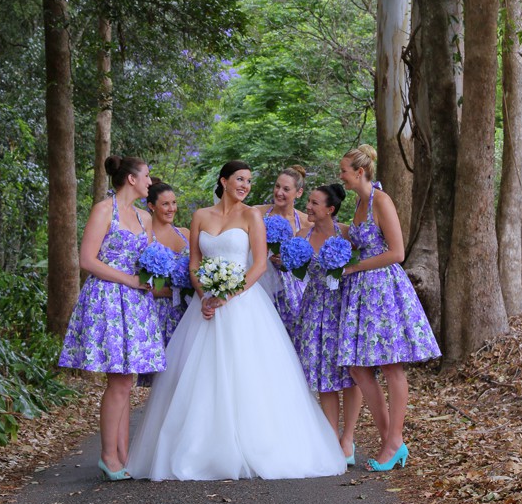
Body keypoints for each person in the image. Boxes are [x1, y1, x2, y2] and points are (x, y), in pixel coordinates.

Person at [125, 160, 347, 481]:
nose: (245, 185)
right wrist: (204, 295)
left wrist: (227, 295)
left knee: (247, 372)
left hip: (243, 303)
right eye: (240, 179)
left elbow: (258, 265)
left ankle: (254, 442)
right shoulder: (201, 216)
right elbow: (193, 264)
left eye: (249, 181)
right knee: (199, 375)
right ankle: (201, 446)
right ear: (224, 181)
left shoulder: (251, 216)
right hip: (205, 307)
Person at [59, 156, 166, 481]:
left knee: (126, 380)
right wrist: (129, 279)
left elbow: (147, 259)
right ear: (131, 179)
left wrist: (156, 276)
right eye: (146, 175)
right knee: (118, 381)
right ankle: (108, 456)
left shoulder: (145, 217)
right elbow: (87, 260)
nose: (150, 181)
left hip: (136, 304)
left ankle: (122, 454)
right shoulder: (104, 210)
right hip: (107, 298)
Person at [337, 144, 441, 471]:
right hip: (360, 294)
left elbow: (397, 253)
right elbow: (357, 242)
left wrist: (354, 267)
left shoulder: (381, 201)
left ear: (360, 172)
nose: (340, 176)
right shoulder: (358, 202)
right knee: (357, 367)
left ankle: (394, 440)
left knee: (392, 365)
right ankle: (390, 439)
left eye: (343, 171)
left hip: (382, 289)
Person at [295, 183, 363, 465]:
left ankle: (348, 438)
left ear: (330, 209)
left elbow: (362, 264)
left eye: (314, 203)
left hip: (343, 307)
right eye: (308, 202)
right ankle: (330, 436)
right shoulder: (302, 235)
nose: (308, 207)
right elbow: (296, 271)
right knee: (324, 376)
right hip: (313, 308)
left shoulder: (346, 234)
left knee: (350, 374)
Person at [256, 165, 309, 340]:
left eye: (286, 189)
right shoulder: (258, 213)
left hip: (293, 290)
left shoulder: (305, 221)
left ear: (298, 193)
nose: (279, 192)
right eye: (277, 186)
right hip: (263, 284)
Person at [147, 179, 190, 345]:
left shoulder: (186, 233)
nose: (172, 208)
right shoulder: (145, 238)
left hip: (187, 310)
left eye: (174, 203)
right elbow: (139, 280)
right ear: (152, 206)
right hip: (157, 311)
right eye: (165, 204)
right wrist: (173, 292)